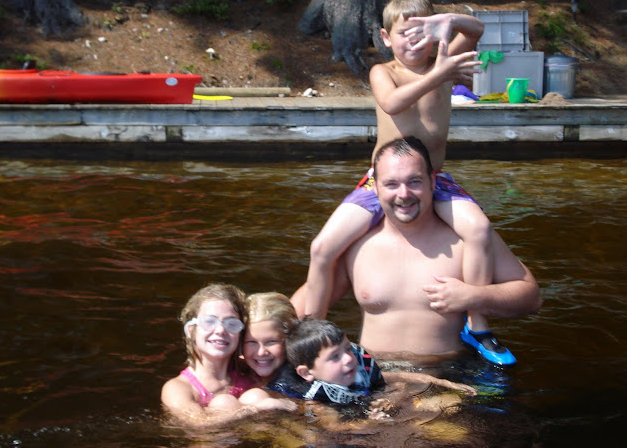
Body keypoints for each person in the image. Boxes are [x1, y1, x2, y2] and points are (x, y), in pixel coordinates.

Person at [302, 0, 513, 365]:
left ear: (434, 36)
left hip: (431, 177)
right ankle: (310, 332)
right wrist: (442, 75)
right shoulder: (385, 71)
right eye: (404, 34)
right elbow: (392, 103)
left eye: (422, 34)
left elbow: (476, 28)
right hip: (379, 181)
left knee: (478, 230)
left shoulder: (443, 59)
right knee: (321, 248)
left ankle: (477, 326)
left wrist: (445, 21)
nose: (413, 42)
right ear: (386, 38)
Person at [293, 137, 541, 364]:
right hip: (374, 382)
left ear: (433, 182)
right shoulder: (355, 246)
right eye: (391, 184)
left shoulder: (467, 239)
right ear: (375, 187)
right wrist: (260, 335)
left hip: (451, 379)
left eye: (415, 182)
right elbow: (302, 309)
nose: (404, 194)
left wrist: (474, 296)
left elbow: (531, 298)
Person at [267, 318, 476, 416]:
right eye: (335, 357)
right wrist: (371, 423)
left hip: (367, 404)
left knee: (452, 403)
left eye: (348, 350)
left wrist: (440, 381)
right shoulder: (315, 400)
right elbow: (335, 428)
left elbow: (393, 376)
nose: (348, 359)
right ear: (307, 372)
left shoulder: (358, 365)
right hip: (345, 424)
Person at [161, 283, 294, 426]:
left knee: (255, 395)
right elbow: (199, 424)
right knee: (224, 403)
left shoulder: (251, 368)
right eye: (209, 321)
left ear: (240, 333)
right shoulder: (179, 388)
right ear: (191, 330)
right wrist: (257, 409)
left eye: (231, 323)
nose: (220, 330)